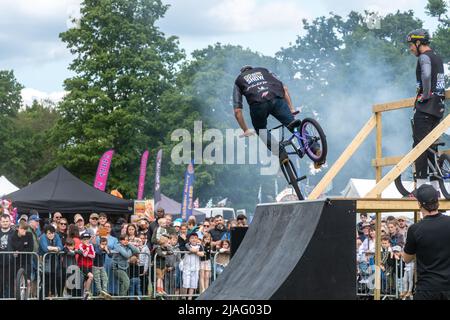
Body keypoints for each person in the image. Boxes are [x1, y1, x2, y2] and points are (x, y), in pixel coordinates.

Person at [232, 65, 323, 166]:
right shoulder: (264, 70)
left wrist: (245, 130)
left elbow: (237, 111)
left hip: (258, 105)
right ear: (252, 69)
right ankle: (315, 149)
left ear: (242, 72)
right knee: (293, 124)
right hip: (276, 99)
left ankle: (281, 154)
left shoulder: (239, 80)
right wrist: (291, 108)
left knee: (261, 130)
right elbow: (284, 88)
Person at [406, 29, 446, 191]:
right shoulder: (438, 58)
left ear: (418, 43)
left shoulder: (424, 57)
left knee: (419, 146)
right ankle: (436, 188)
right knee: (432, 147)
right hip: (438, 109)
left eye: (411, 45)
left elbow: (427, 76)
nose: (410, 48)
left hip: (425, 109)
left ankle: (421, 186)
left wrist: (425, 94)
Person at [403, 184, 450, 300]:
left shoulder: (415, 229)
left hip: (426, 289)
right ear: (437, 201)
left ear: (419, 204)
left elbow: (407, 259)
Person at [76, 231, 95, 299]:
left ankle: (84, 296)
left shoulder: (91, 245)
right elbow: (84, 254)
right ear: (82, 240)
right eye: (84, 239)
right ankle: (86, 292)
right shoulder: (81, 245)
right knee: (91, 276)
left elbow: (93, 255)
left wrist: (87, 251)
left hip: (89, 265)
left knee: (86, 280)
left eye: (87, 239)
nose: (86, 240)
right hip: (82, 265)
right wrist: (87, 248)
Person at [0, 214, 15, 298]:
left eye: (6, 221)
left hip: (11, 263)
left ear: (10, 222)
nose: (5, 223)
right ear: (0, 222)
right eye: (3, 221)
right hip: (0, 263)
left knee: (9, 285)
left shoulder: (14, 233)